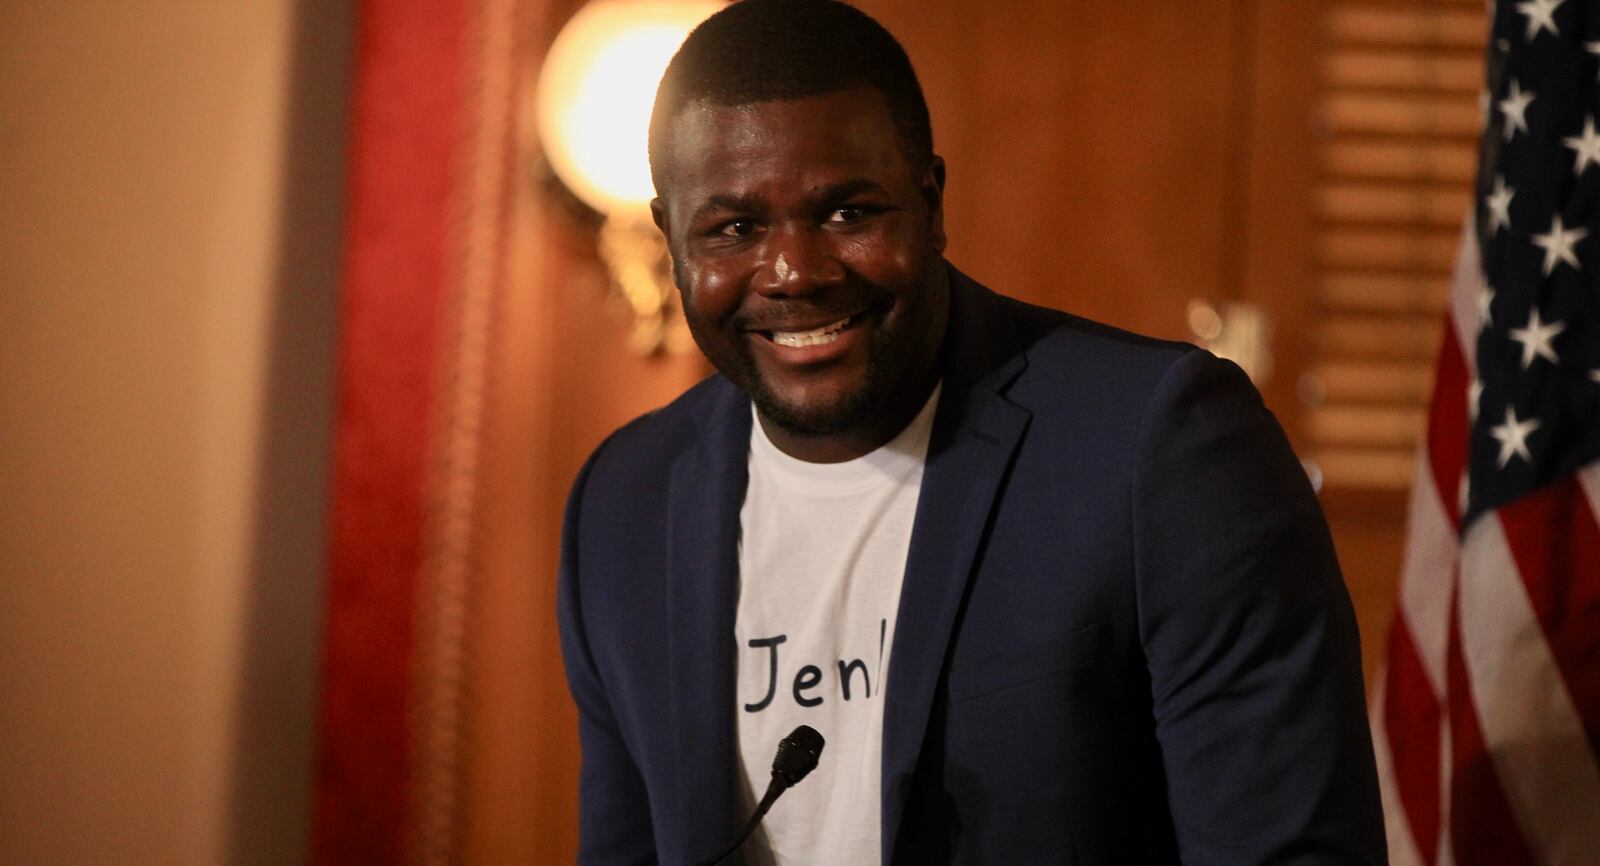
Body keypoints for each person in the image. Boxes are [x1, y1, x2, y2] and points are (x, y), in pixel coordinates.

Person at [556, 1, 1386, 863]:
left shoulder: (1163, 446)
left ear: (931, 202)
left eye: (848, 213)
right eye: (735, 229)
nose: (796, 271)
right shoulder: (624, 503)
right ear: (671, 242)